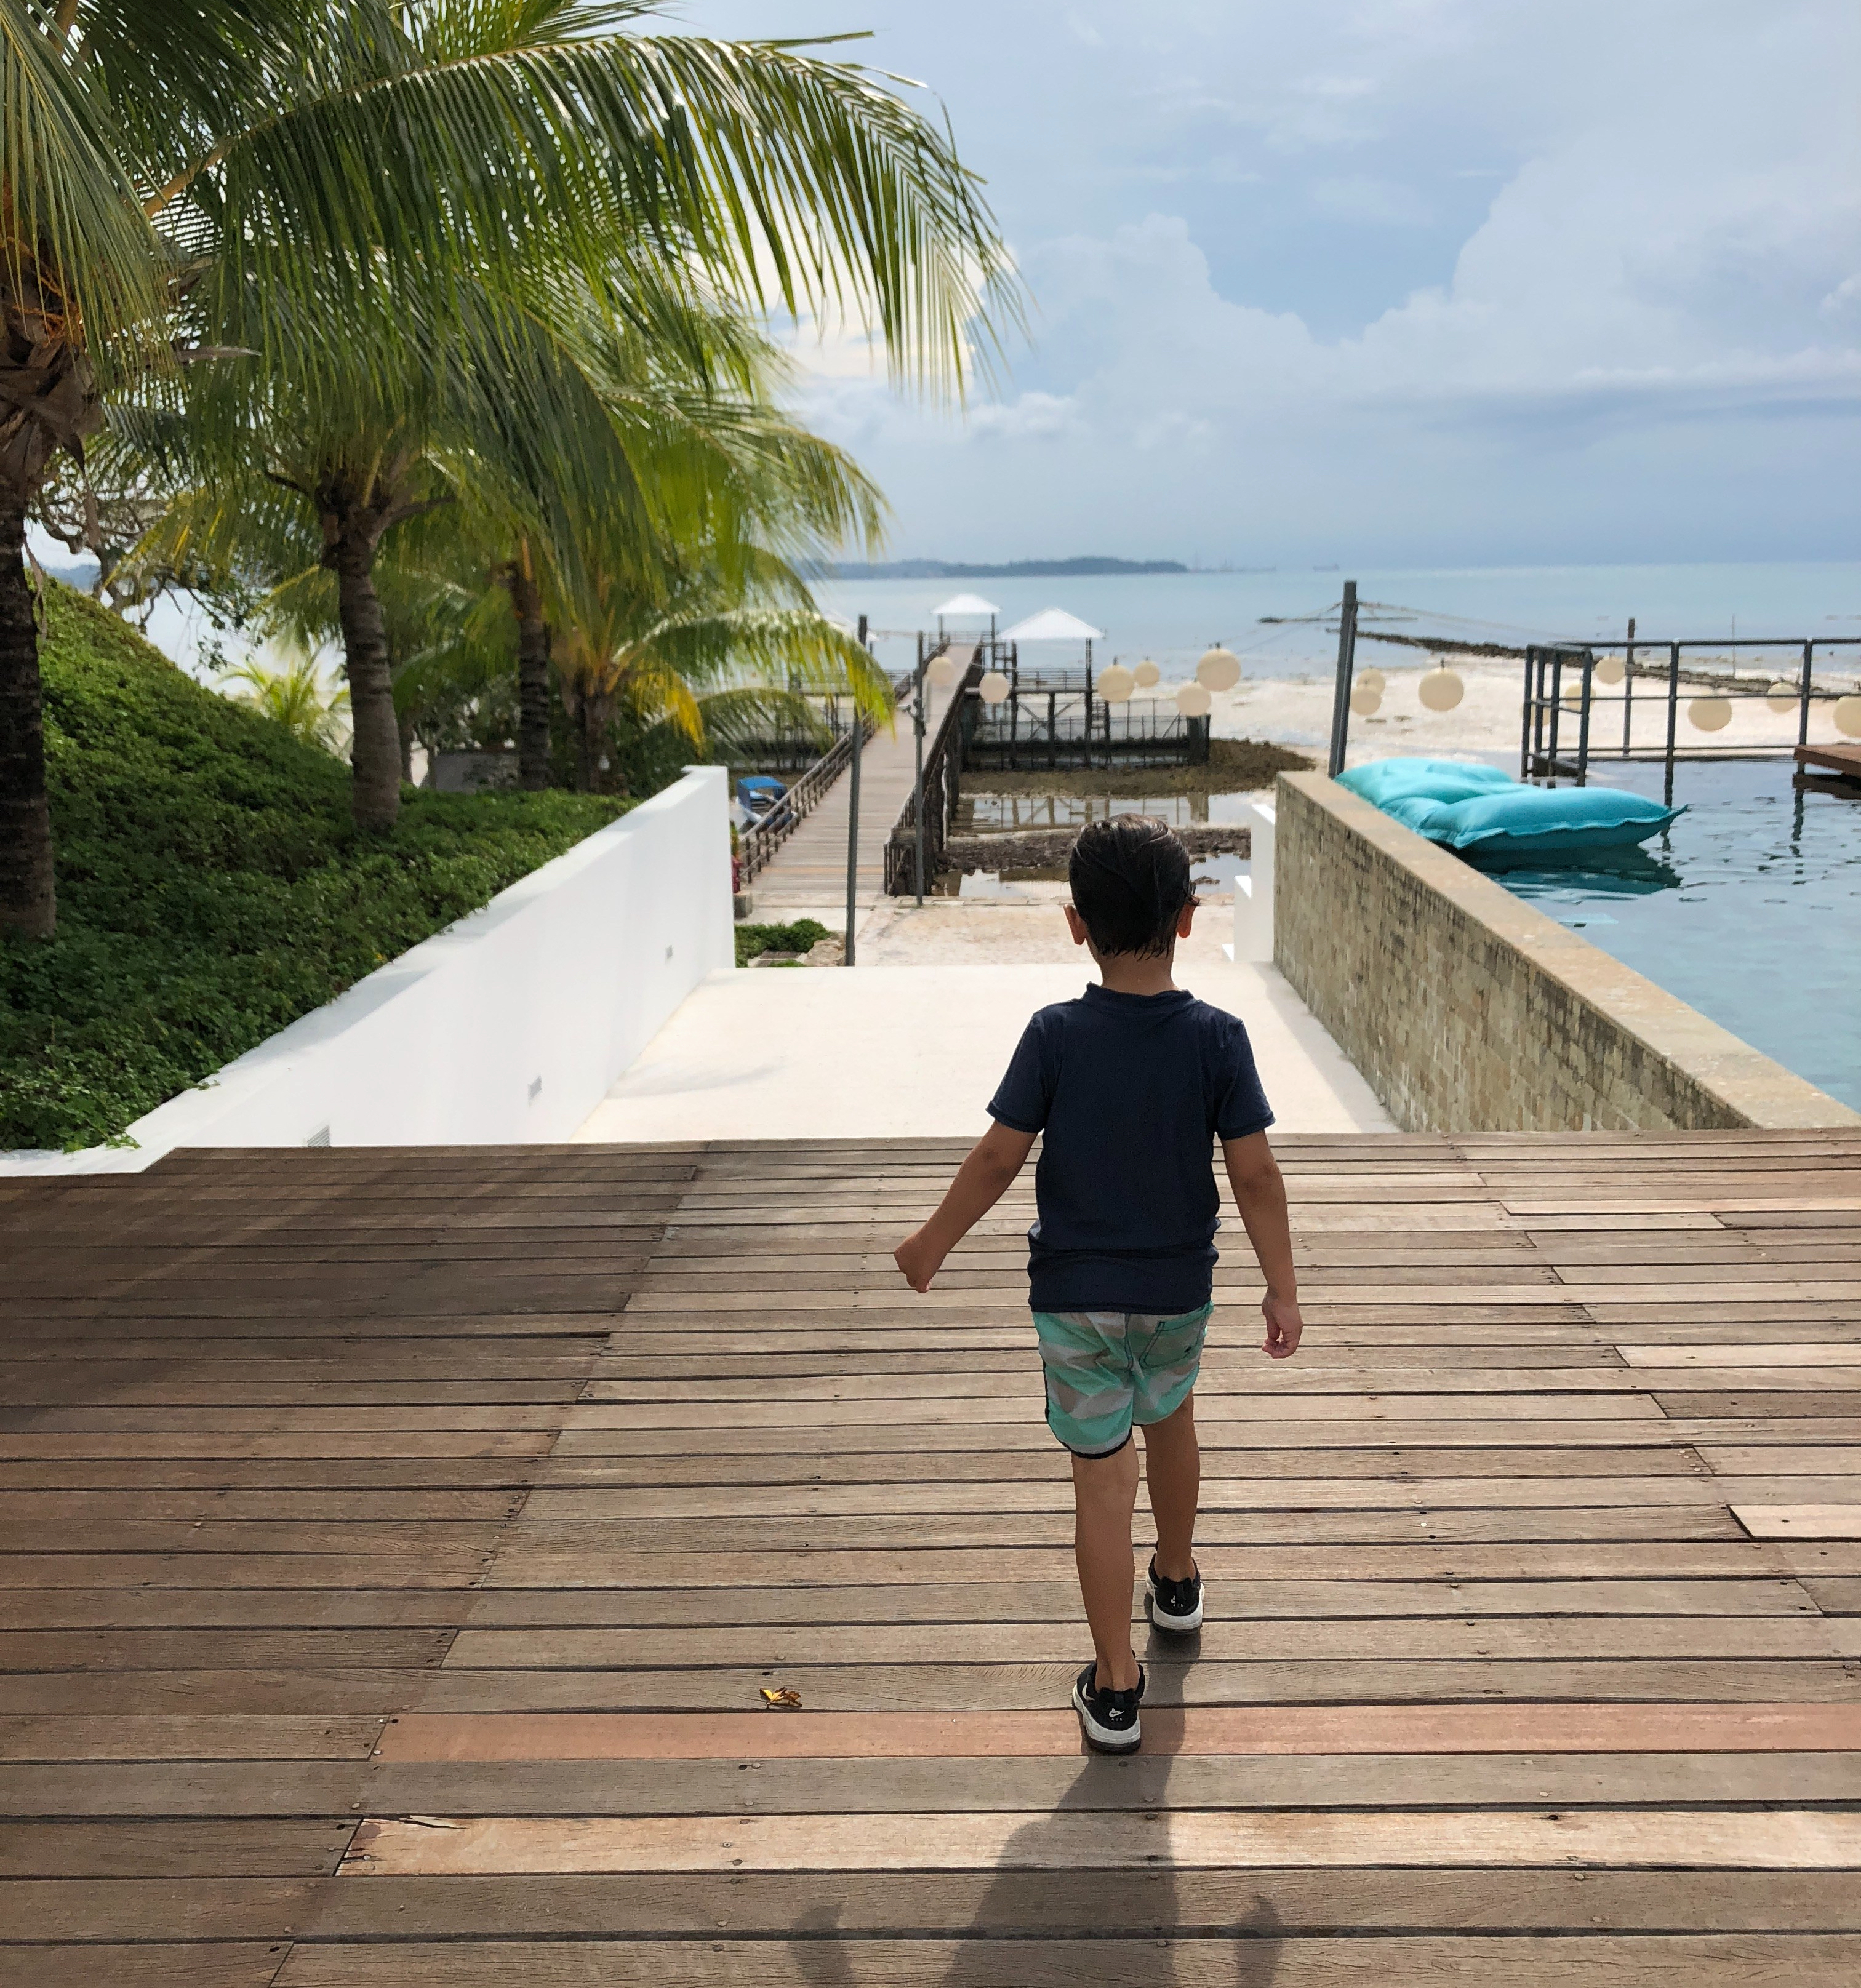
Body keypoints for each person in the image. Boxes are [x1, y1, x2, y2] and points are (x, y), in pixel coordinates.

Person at [892, 815, 1304, 1754]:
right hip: (1177, 1294)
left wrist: (931, 1243)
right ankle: (1179, 1575)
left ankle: (1117, 1687)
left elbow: (999, 1157)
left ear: (1076, 923)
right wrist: (1281, 1289)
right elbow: (1255, 1176)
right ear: (1188, 920)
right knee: (1175, 1418)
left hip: (1075, 1299)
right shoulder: (1218, 1038)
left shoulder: (1056, 1035)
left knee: (1099, 1483)